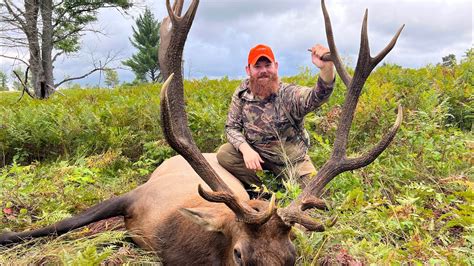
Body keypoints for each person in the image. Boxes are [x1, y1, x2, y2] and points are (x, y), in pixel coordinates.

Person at [216, 43, 335, 192]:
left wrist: (327, 67)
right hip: (258, 156)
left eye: (267, 65)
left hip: (292, 161)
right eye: (257, 66)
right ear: (248, 70)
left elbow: (317, 96)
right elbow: (231, 128)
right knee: (225, 154)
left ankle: (283, 186)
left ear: (276, 66)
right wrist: (246, 150)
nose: (263, 71)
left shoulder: (288, 94)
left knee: (318, 195)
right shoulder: (242, 94)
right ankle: (263, 191)